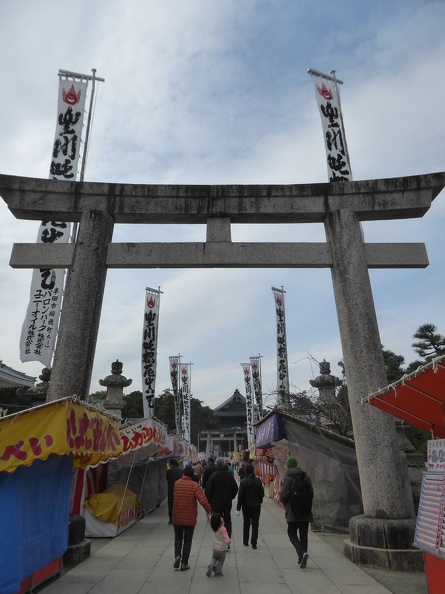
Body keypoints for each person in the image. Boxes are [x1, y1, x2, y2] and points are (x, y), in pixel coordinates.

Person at [172, 465, 212, 571]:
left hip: (177, 516)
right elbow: (202, 500)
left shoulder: (176, 483)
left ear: (183, 474)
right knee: (187, 541)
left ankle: (177, 555)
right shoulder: (195, 485)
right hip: (189, 518)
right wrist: (209, 511)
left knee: (178, 538)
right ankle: (184, 563)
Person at [279, 456, 314, 569]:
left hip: (293, 511)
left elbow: (283, 495)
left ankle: (301, 554)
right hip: (306, 511)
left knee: (292, 533)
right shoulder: (306, 476)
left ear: (288, 466)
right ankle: (302, 558)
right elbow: (311, 493)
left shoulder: (288, 478)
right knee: (304, 534)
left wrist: (286, 505)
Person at [205, 457, 238, 541]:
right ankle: (227, 539)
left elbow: (208, 490)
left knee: (217, 521)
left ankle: (219, 540)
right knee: (227, 521)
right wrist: (231, 497)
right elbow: (235, 488)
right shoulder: (229, 475)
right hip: (227, 503)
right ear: (224, 464)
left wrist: (210, 501)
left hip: (216, 503)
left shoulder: (213, 476)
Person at [236, 462, 264, 549]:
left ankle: (245, 541)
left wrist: (238, 508)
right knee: (255, 524)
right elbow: (261, 493)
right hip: (256, 506)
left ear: (245, 471)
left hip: (246, 506)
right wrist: (260, 500)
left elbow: (240, 495)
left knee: (246, 523)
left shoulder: (244, 481)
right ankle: (254, 543)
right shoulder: (258, 481)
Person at [206, 512, 231, 577]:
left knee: (214, 558)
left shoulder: (214, 527)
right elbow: (226, 537)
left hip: (215, 548)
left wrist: (209, 516)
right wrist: (228, 542)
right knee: (221, 560)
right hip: (222, 549)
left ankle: (211, 565)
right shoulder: (222, 529)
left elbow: (211, 519)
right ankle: (218, 571)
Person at [165, 459, 183, 524]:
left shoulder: (169, 471)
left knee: (171, 505)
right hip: (179, 490)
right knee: (179, 505)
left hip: (171, 490)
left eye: (169, 463)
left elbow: (167, 478)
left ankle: (171, 519)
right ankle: (179, 518)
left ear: (171, 464)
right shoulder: (181, 471)